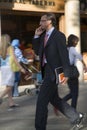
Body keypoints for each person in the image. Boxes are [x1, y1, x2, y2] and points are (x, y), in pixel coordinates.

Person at [32, 12, 86, 130]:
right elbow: (37, 51)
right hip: (45, 71)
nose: (40, 23)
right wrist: (36, 36)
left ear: (49, 21)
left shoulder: (59, 36)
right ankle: (76, 116)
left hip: (53, 74)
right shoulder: (42, 35)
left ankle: (39, 127)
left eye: (42, 20)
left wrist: (66, 73)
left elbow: (64, 56)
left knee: (41, 101)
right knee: (54, 99)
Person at [0, 34, 25, 108]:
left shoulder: (1, 47)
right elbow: (15, 59)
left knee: (8, 85)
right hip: (9, 68)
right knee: (10, 86)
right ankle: (1, 96)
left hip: (3, 68)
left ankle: (11, 103)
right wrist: (21, 68)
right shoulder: (10, 47)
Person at [62, 34, 86, 109]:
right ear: (73, 41)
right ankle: (61, 103)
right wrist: (85, 65)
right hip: (72, 72)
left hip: (67, 72)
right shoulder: (72, 49)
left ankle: (70, 109)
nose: (77, 43)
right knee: (75, 94)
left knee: (73, 93)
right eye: (76, 41)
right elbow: (79, 56)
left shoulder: (65, 48)